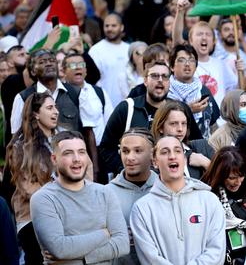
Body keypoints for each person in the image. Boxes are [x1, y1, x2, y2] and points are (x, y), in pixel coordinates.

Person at [30, 131, 129, 264]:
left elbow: (123, 244)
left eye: (81, 152)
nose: (76, 158)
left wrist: (81, 258)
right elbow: (60, 248)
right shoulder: (44, 199)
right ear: (54, 159)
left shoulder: (105, 193)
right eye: (68, 153)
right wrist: (105, 234)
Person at [130, 136, 226, 265]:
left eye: (177, 151)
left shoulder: (210, 201)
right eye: (164, 152)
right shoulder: (142, 209)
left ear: (184, 159)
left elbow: (217, 252)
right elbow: (150, 258)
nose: (172, 156)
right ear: (155, 162)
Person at [99, 61, 202, 180]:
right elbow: (106, 148)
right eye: (154, 76)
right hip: (134, 184)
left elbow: (195, 144)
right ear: (145, 81)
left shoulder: (180, 109)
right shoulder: (127, 108)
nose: (160, 80)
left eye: (165, 76)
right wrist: (125, 169)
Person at [3, 93, 58, 264]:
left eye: (56, 107)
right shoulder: (20, 147)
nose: (56, 112)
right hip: (32, 218)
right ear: (35, 114)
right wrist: (63, 199)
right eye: (49, 108)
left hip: (65, 213)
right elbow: (29, 189)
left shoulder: (63, 140)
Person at [107, 128, 157, 265]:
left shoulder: (164, 189)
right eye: (125, 151)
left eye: (138, 151)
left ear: (152, 154)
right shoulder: (105, 193)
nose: (130, 157)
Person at [202, 146, 246, 263]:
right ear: (220, 175)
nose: (238, 182)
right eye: (232, 178)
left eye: (241, 176)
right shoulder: (207, 195)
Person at [62, 52, 113, 177]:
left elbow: (110, 124)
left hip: (101, 153)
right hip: (71, 153)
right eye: (73, 65)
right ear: (63, 71)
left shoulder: (98, 92)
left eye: (81, 64)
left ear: (85, 70)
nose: (78, 67)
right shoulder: (59, 95)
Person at [11, 49, 83, 135]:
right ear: (33, 71)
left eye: (52, 61)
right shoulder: (23, 97)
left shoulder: (75, 93)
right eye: (42, 62)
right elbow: (16, 136)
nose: (49, 64)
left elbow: (87, 131)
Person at [151, 100, 214, 180]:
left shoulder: (202, 147)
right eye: (173, 124)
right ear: (160, 127)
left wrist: (207, 164)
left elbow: (227, 180)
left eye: (184, 123)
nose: (180, 129)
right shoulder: (153, 156)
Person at [168, 44, 219, 140]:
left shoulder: (203, 90)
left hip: (204, 148)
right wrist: (188, 110)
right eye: (181, 60)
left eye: (191, 60)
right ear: (171, 66)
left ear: (196, 66)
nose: (187, 64)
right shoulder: (166, 92)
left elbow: (213, 125)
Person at [89, 13, 131, 107]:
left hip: (128, 103)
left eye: (113, 25)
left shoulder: (129, 49)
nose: (109, 29)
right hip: (103, 103)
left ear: (122, 27)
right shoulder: (96, 50)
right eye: (106, 26)